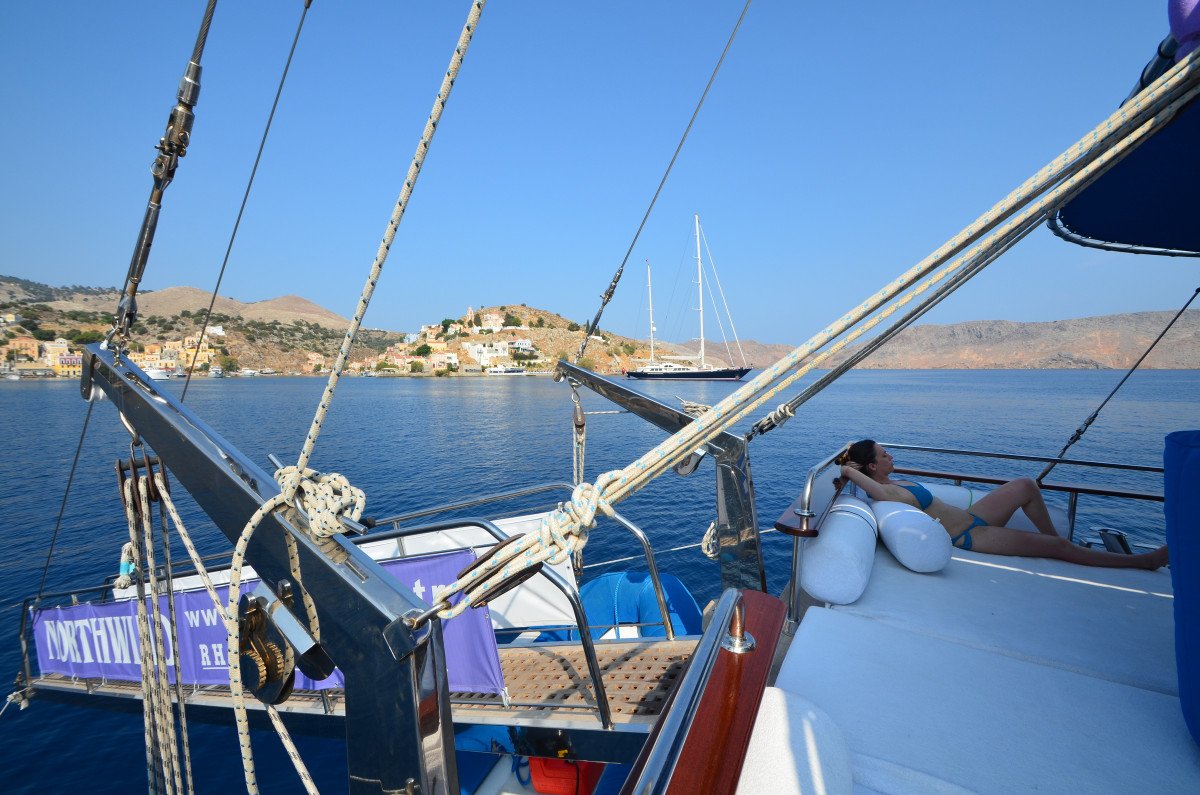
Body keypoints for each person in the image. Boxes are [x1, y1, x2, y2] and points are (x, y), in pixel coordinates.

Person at [835, 439, 1169, 570]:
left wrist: (853, 453)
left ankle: (1055, 540)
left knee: (1025, 484)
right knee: (1057, 548)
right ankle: (1142, 562)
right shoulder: (887, 492)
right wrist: (849, 470)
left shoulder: (894, 481)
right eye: (884, 455)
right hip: (969, 536)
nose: (891, 455)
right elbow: (870, 485)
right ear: (873, 466)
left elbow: (865, 467)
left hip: (971, 516)